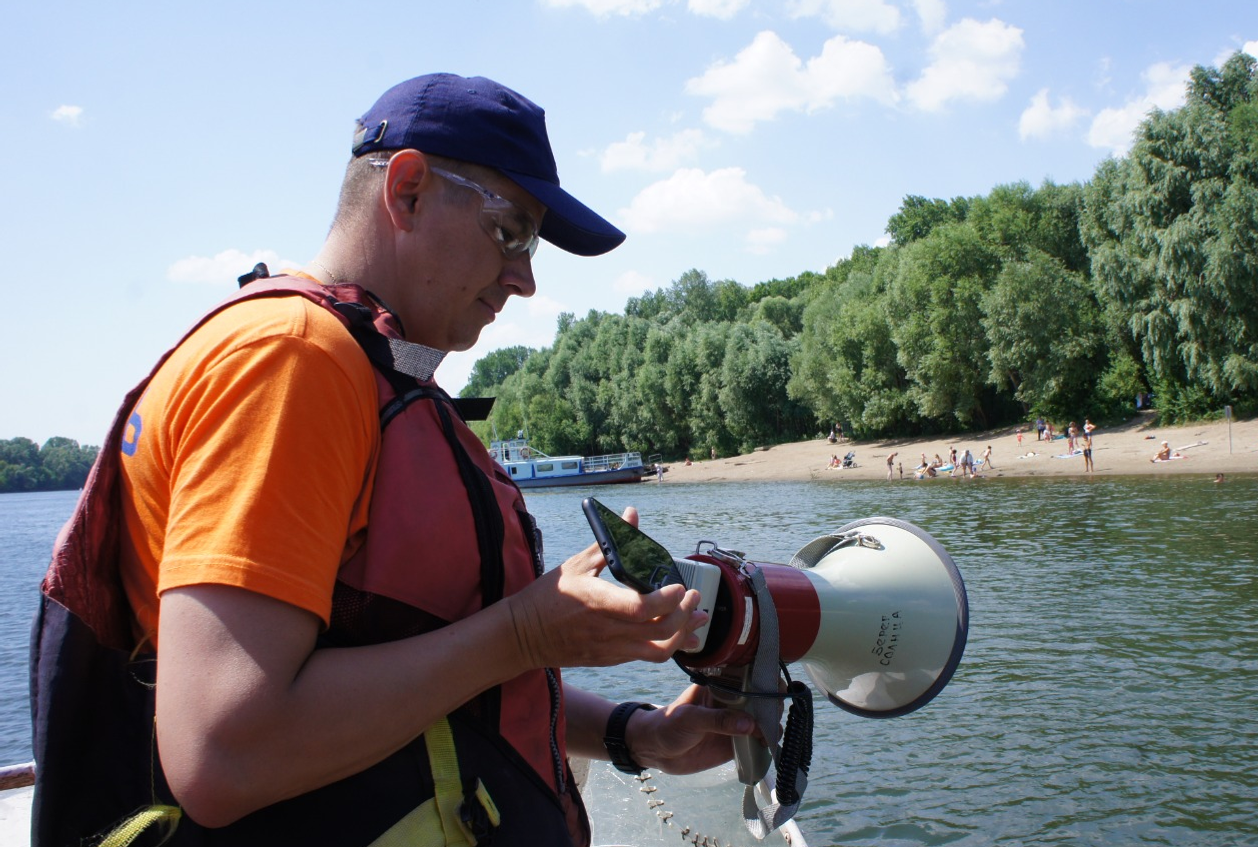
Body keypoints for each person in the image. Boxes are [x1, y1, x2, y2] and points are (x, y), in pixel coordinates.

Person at [31, 74, 750, 847]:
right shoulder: (293, 363)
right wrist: (524, 634)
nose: (527, 278)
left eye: (532, 245)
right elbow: (224, 749)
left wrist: (635, 734)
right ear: (406, 191)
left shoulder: (366, 368)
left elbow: (426, 679)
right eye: (509, 231)